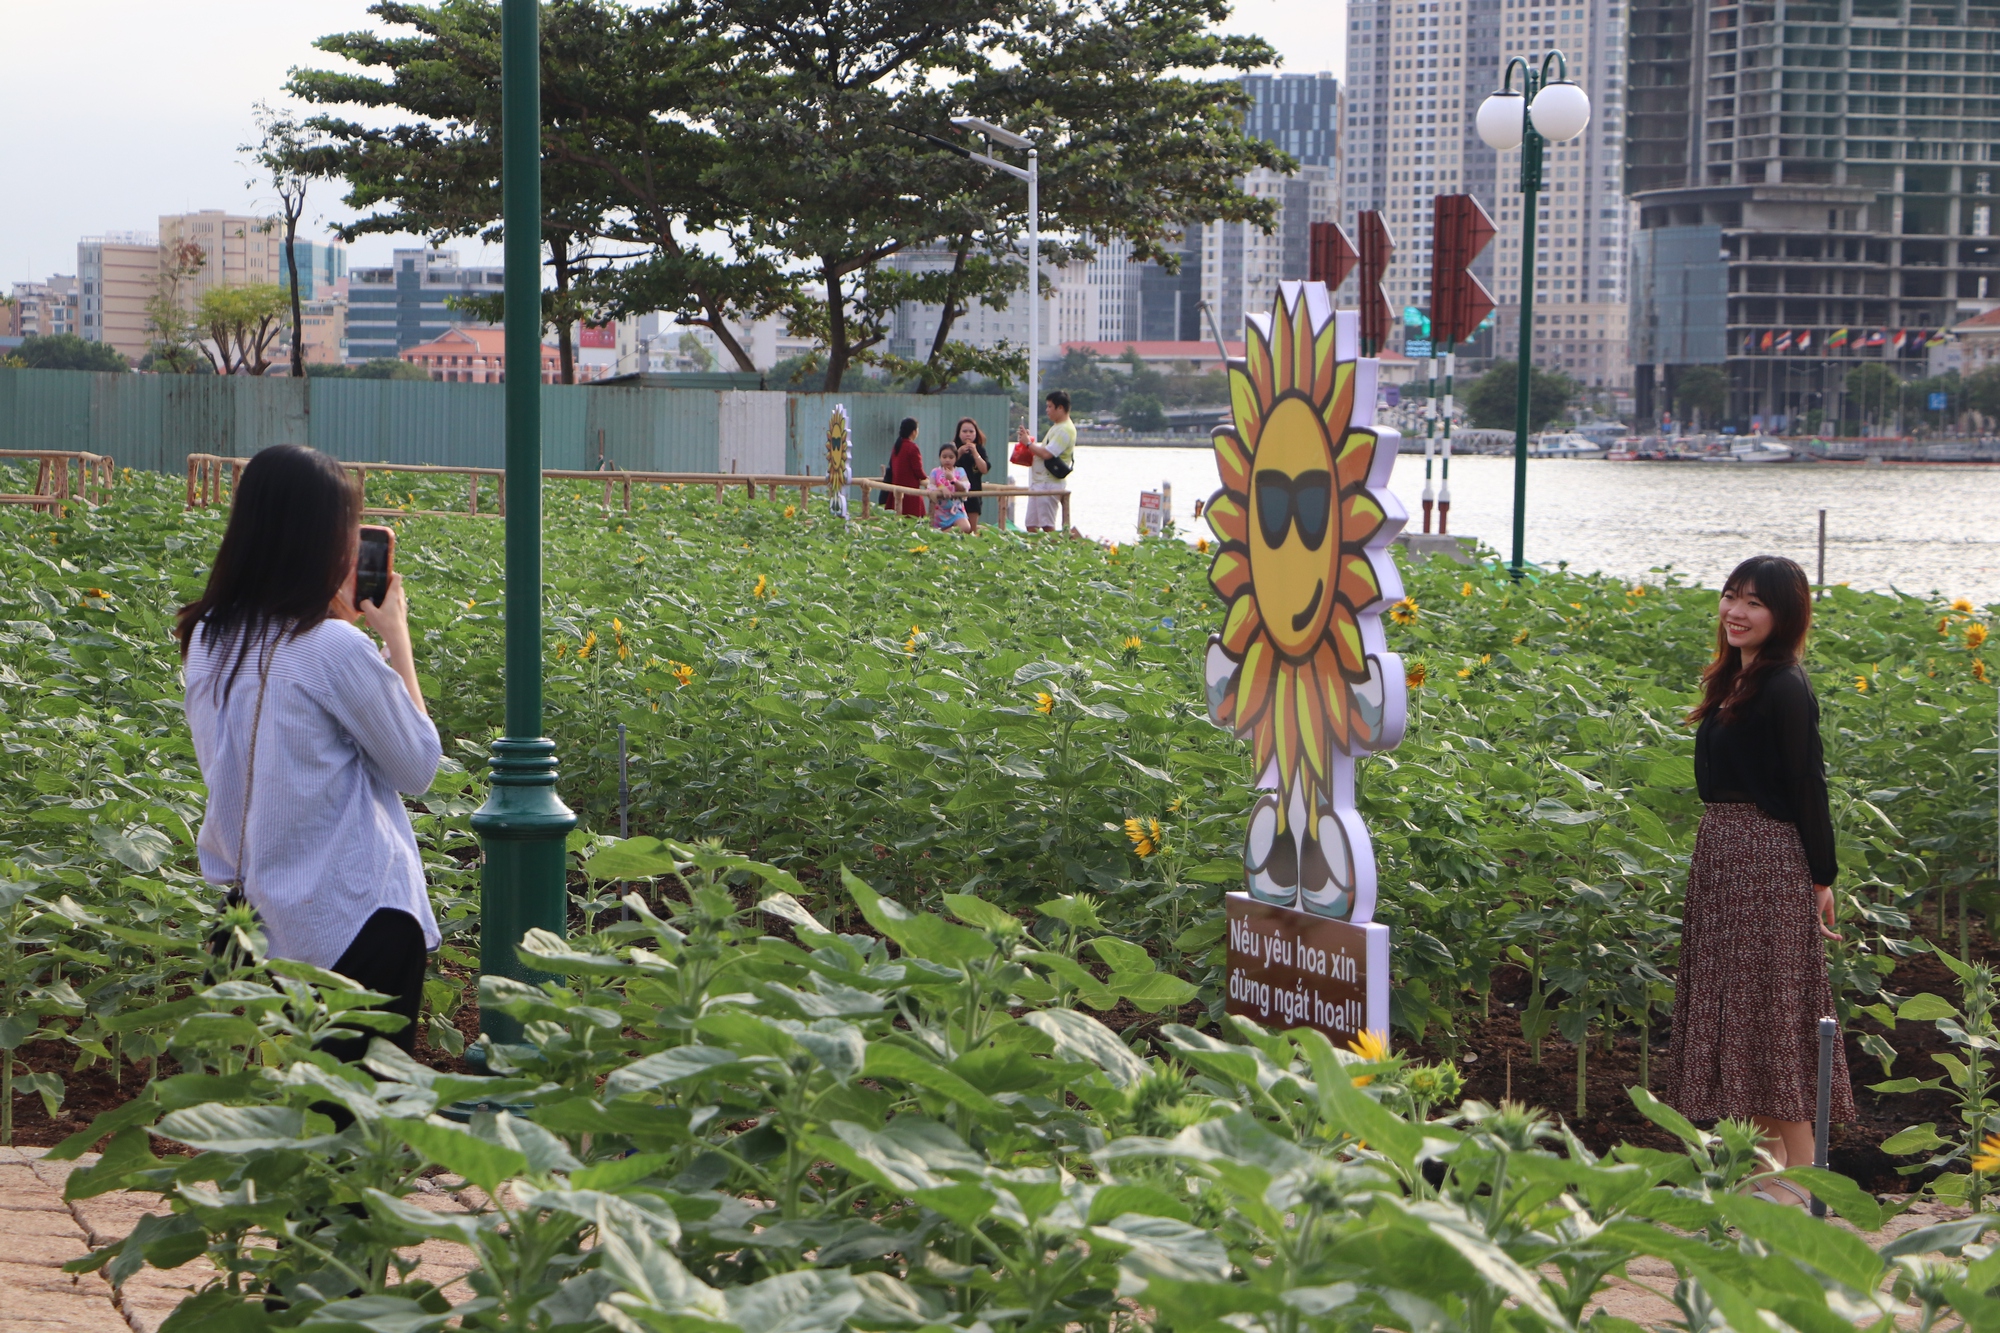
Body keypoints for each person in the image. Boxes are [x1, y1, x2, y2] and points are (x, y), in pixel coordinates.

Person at [176, 444, 441, 1062]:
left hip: (253, 922)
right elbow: (417, 765)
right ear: (323, 541)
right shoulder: (330, 648)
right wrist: (395, 638)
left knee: (273, 1129)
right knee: (353, 1136)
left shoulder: (206, 638)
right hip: (356, 918)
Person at [1666, 554, 1852, 1204]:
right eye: (1730, 596)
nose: (1736, 611)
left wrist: (1820, 877)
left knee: (1771, 1024)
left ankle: (1804, 1199)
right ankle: (1761, 1190)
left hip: (1764, 862)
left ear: (1784, 615)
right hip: (1724, 857)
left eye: (1754, 602)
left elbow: (1809, 782)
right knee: (1743, 1024)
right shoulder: (1734, 680)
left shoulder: (1783, 686)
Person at [1020, 390, 1076, 533]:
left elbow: (1047, 454)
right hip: (1040, 482)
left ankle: (1052, 550)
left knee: (1047, 525)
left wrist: (1028, 444)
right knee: (1031, 524)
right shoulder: (1057, 427)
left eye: (1050, 406)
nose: (1047, 410)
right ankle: (1035, 552)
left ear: (1060, 408)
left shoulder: (1064, 429)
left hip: (1049, 483)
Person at [953, 417, 991, 532]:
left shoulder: (979, 449)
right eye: (964, 431)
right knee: (958, 529)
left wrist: (975, 453)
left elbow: (984, 469)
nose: (968, 435)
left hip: (974, 494)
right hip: (956, 495)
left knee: (972, 529)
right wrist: (958, 453)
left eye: (971, 431)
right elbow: (946, 467)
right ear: (959, 433)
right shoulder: (953, 447)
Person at [927, 442, 971, 534]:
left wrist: (953, 479)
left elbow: (966, 486)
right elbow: (930, 487)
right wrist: (942, 489)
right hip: (939, 511)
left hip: (956, 510)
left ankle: (941, 536)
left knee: (965, 527)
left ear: (956, 458)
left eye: (951, 457)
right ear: (940, 457)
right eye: (944, 457)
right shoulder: (935, 472)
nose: (947, 460)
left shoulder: (960, 471)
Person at [887, 418, 926, 518]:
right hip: (910, 491)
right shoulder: (912, 448)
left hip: (897, 487)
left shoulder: (897, 446)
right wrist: (926, 478)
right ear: (914, 432)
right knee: (913, 519)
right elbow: (918, 470)